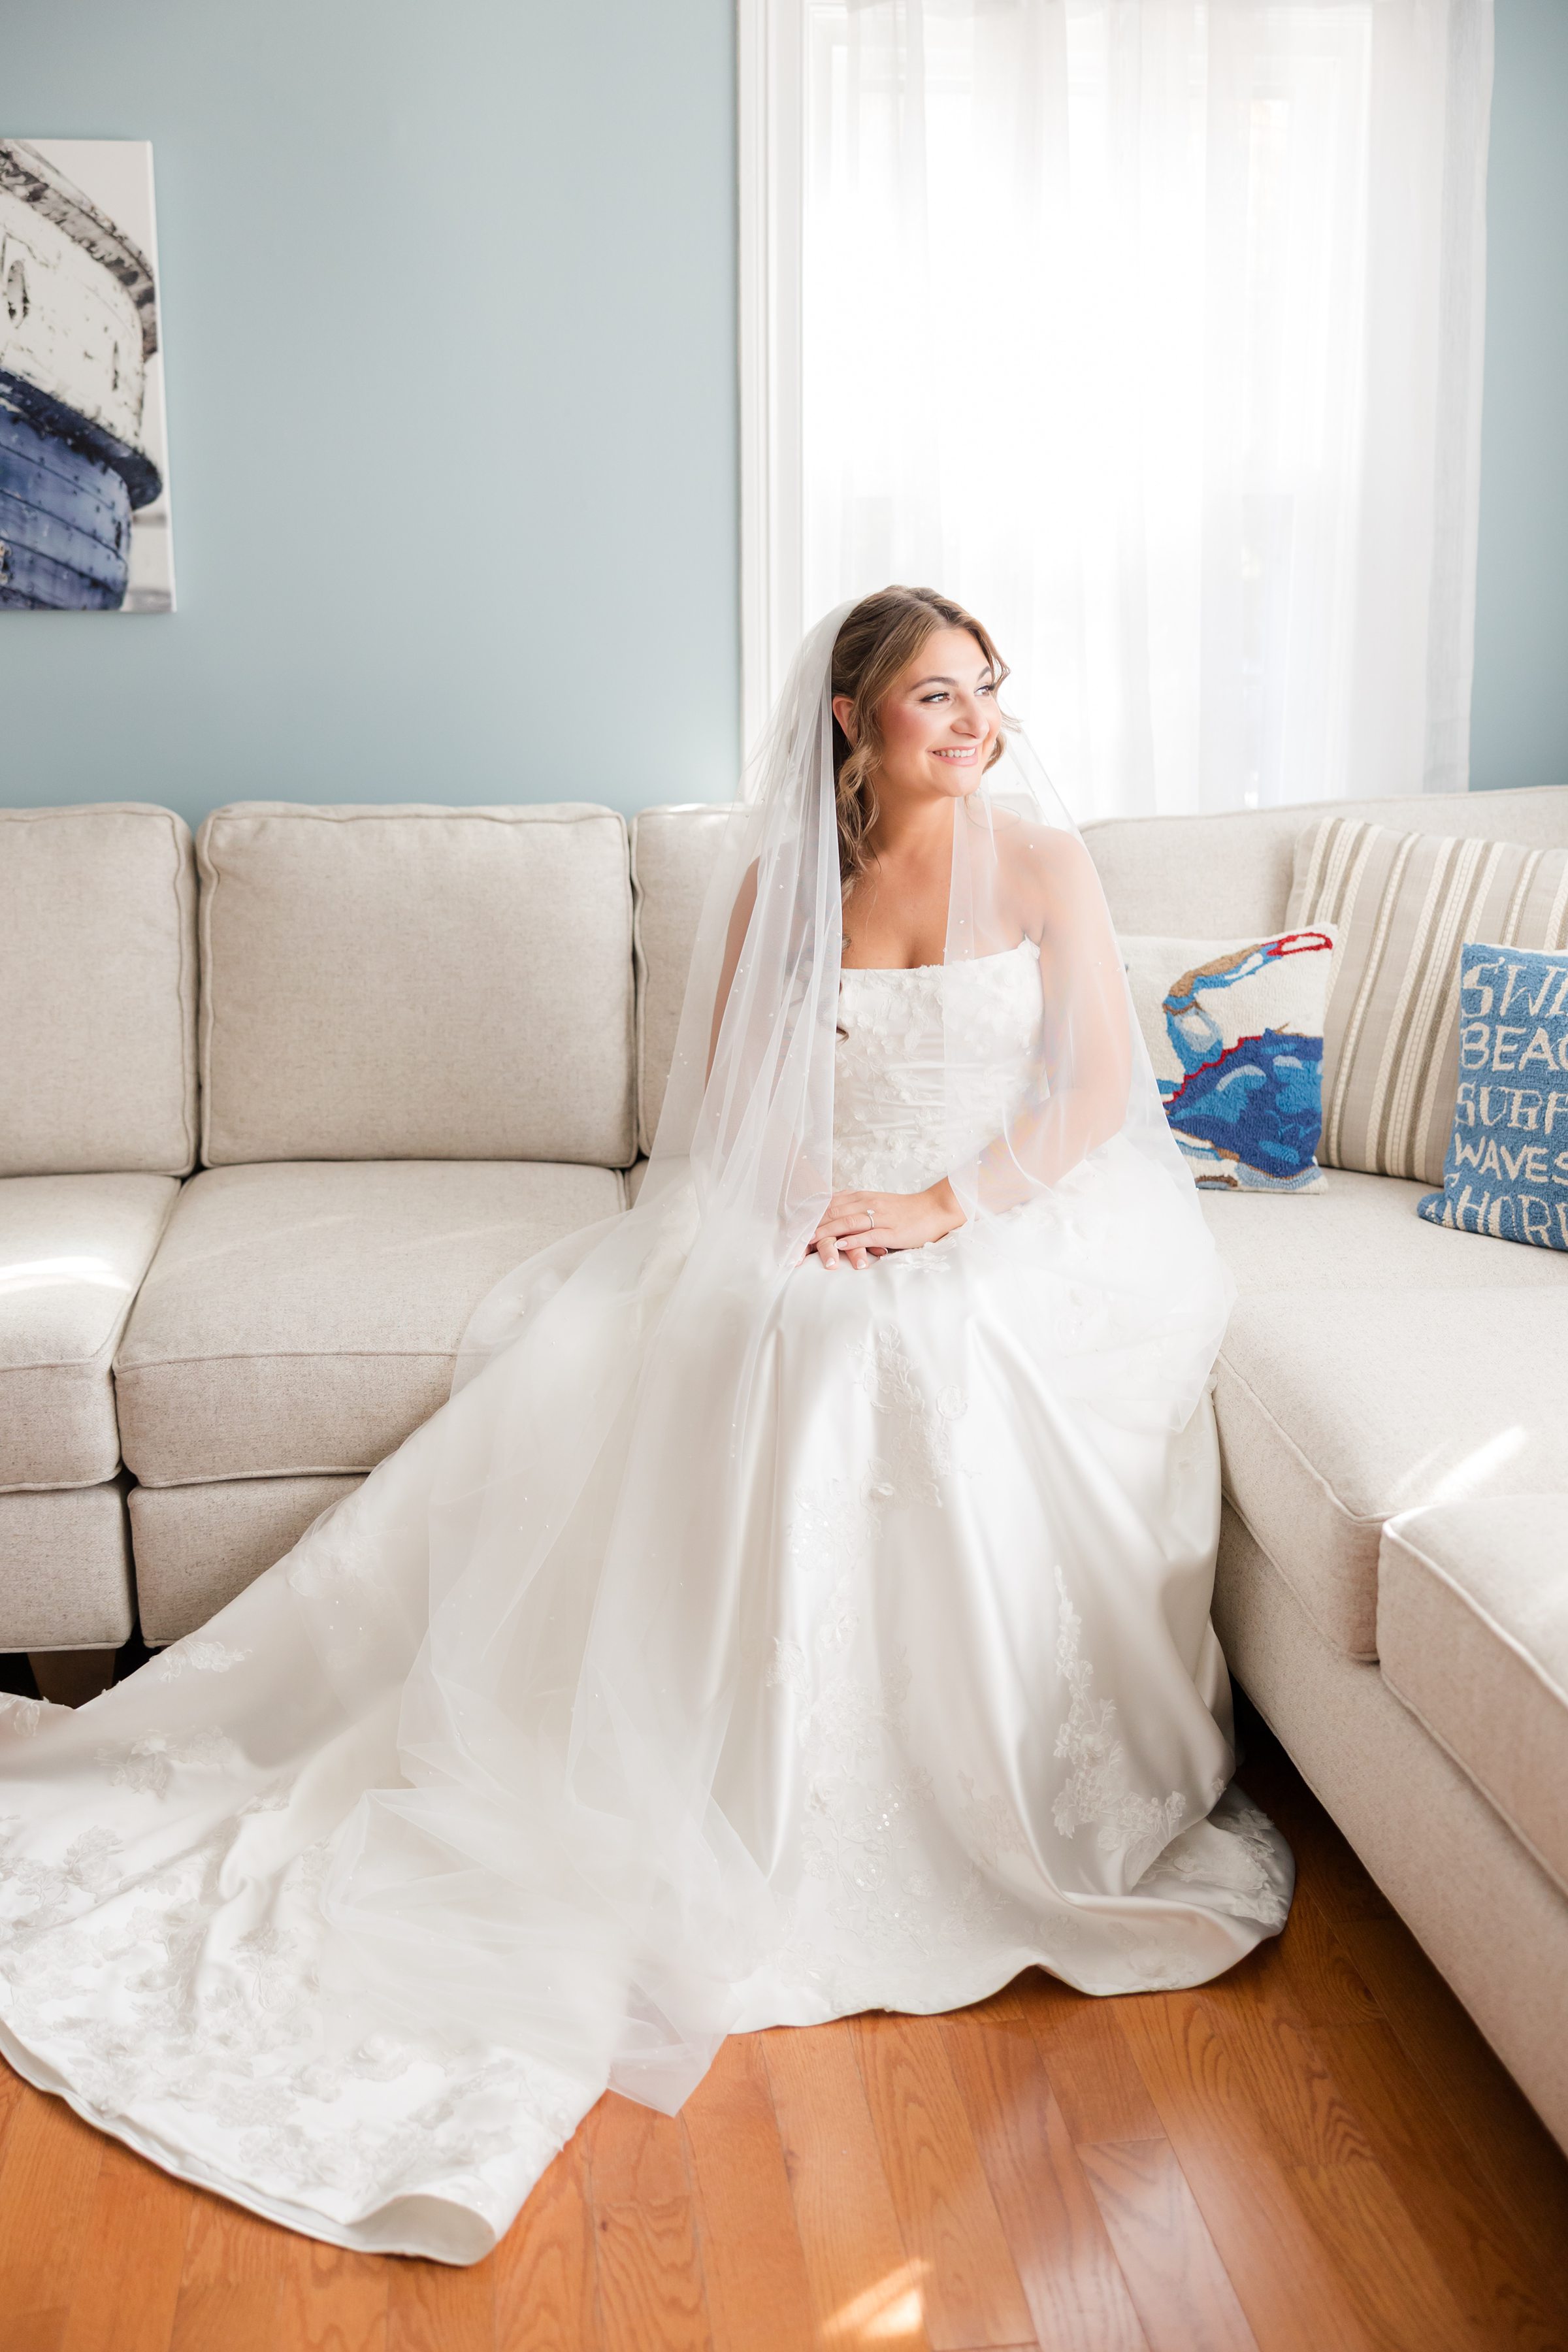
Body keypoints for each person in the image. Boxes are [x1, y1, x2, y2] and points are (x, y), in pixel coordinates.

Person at [0, 587, 1290, 2262]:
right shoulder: (780, 887)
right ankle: (729, 1778)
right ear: (852, 718)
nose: (977, 728)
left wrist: (938, 1208)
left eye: (988, 695)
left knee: (912, 1360)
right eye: (936, 699)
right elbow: (745, 1118)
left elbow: (1096, 1097)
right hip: (817, 1214)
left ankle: (969, 1798)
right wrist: (817, 1207)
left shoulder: (1043, 863)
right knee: (799, 1344)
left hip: (1012, 1221)